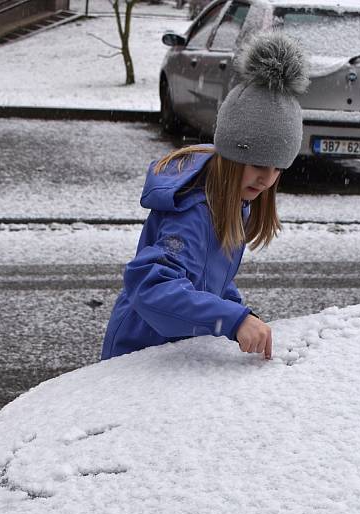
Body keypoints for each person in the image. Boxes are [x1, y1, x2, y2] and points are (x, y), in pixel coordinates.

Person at [101, 31, 308, 362]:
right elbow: (151, 288)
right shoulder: (194, 213)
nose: (266, 178)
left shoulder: (233, 202)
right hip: (138, 359)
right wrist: (233, 320)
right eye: (256, 164)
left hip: (174, 354)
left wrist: (238, 312)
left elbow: (208, 282)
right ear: (231, 153)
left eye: (277, 168)